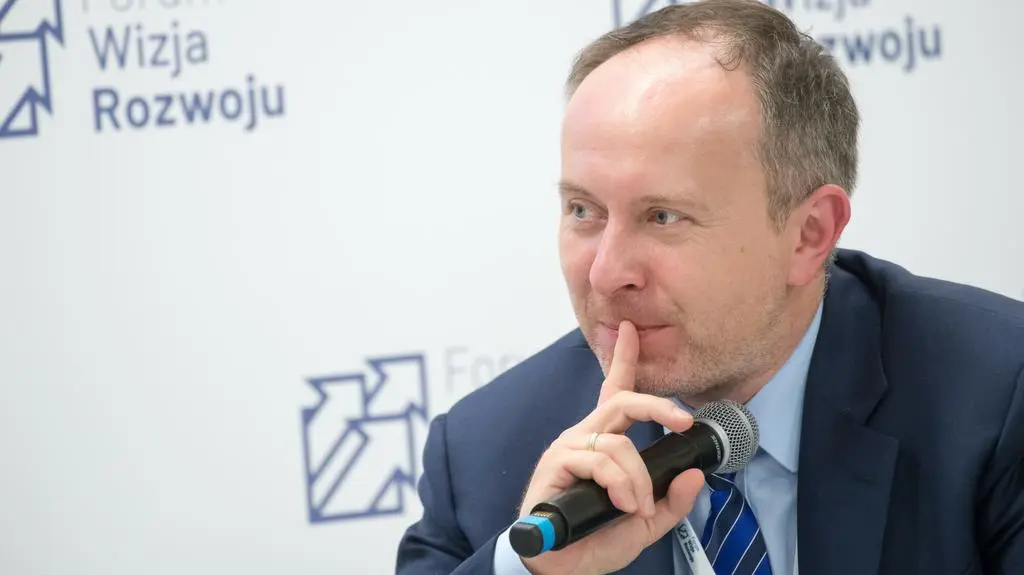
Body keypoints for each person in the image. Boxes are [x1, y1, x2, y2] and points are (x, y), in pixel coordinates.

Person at [394, 0, 1024, 573]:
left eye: (663, 217)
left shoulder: (994, 397)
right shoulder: (483, 455)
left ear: (808, 234)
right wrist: (530, 568)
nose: (606, 273)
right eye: (583, 210)